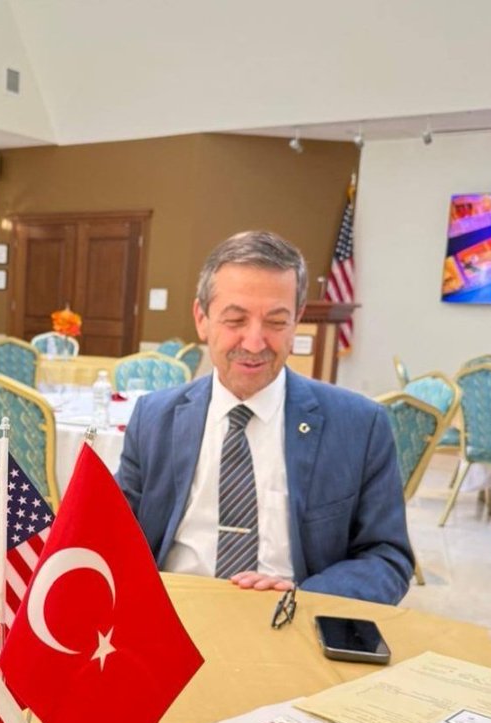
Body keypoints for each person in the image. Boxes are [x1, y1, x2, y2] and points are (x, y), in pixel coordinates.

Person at [117, 230, 413, 605]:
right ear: (202, 318)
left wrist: (303, 598)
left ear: (297, 321)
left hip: (293, 619)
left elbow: (387, 557)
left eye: (275, 322)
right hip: (174, 614)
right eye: (235, 319)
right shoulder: (153, 417)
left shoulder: (359, 425)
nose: (254, 343)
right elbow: (112, 536)